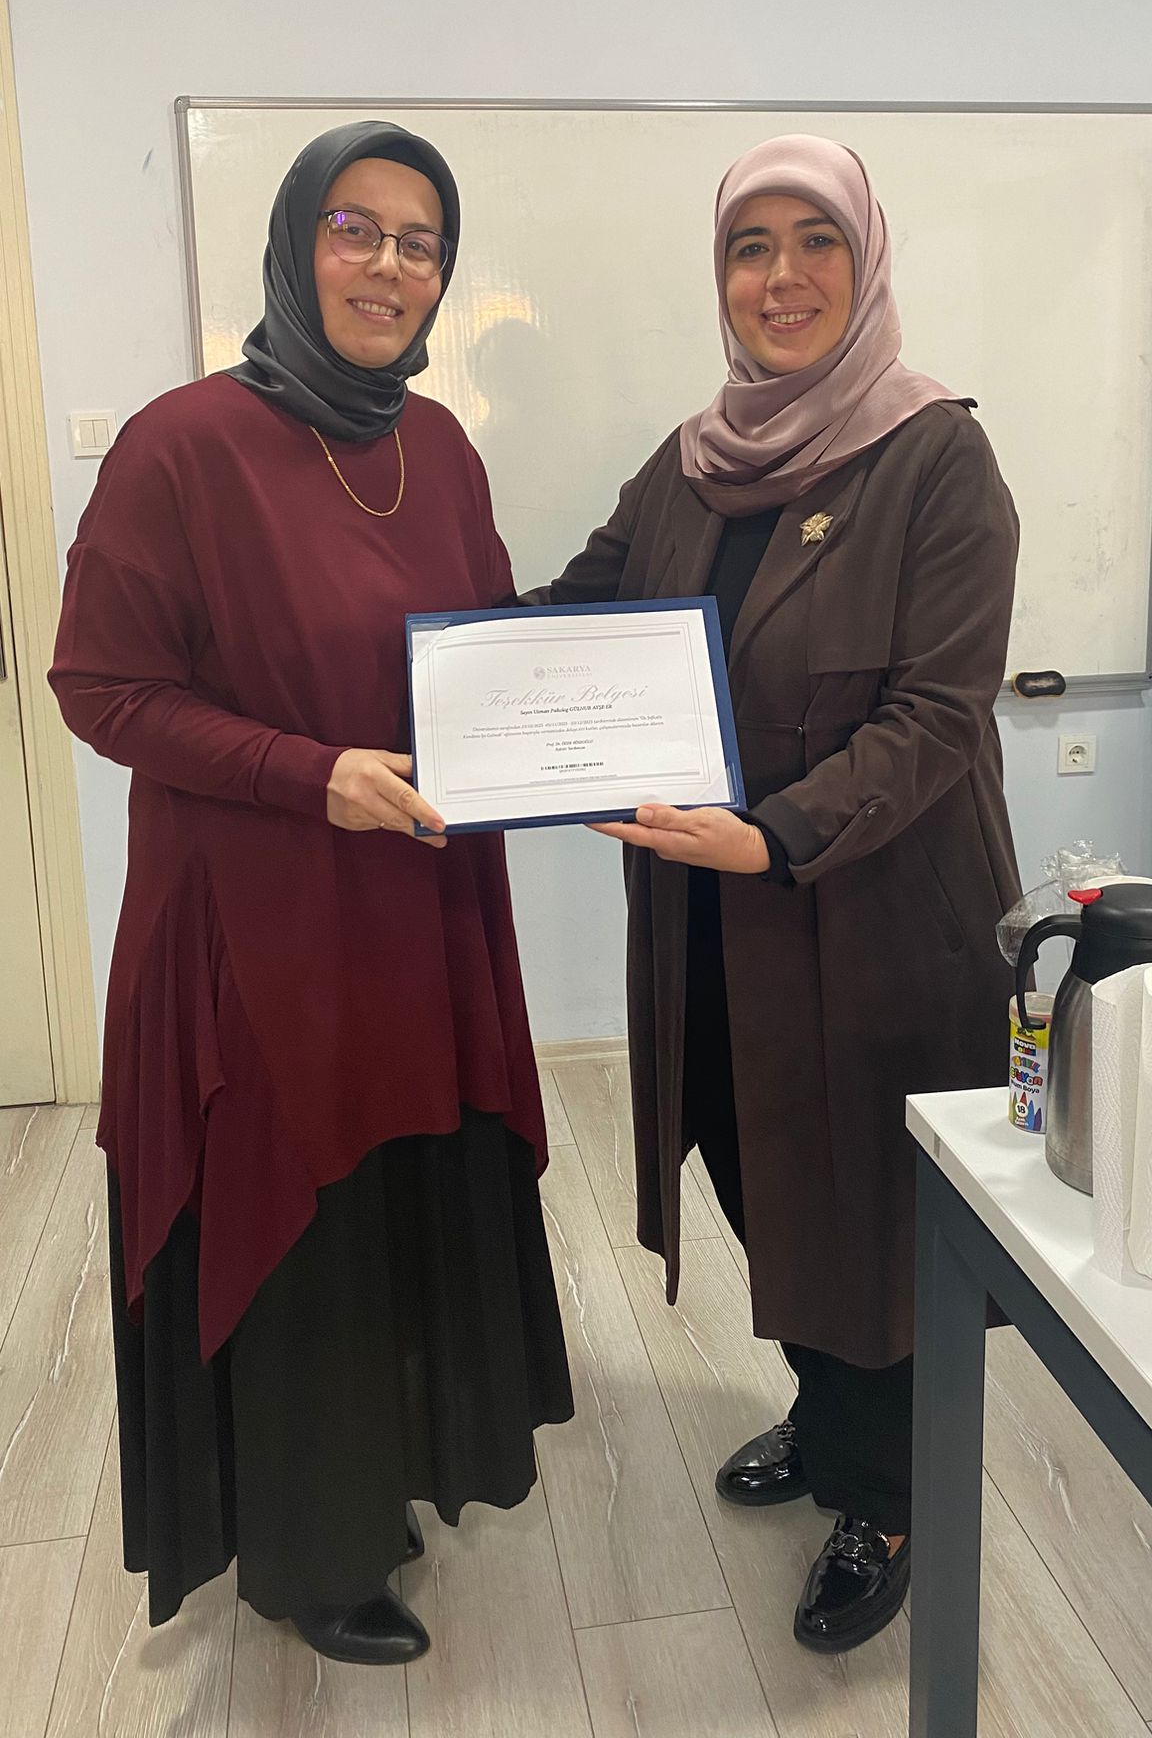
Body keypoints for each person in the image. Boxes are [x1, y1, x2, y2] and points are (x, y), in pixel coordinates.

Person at [50, 120, 573, 1666]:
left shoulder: (442, 446)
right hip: (258, 933)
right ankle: (307, 1548)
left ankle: (393, 1467)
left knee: (401, 1196)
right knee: (305, 1225)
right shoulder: (181, 445)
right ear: (296, 243)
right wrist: (307, 773)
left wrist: (593, 721)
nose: (389, 265)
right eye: (357, 228)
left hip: (416, 916)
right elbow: (102, 688)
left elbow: (476, 648)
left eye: (421, 241)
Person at [534, 134, 1020, 1654]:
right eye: (752, 246)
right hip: (716, 922)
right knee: (762, 1174)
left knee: (867, 1213)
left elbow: (938, 717)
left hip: (869, 919)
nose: (783, 275)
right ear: (722, 276)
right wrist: (451, 685)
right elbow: (576, 616)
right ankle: (828, 1413)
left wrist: (776, 833)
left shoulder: (936, 457)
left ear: (866, 264)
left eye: (818, 241)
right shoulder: (689, 464)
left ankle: (890, 1496)